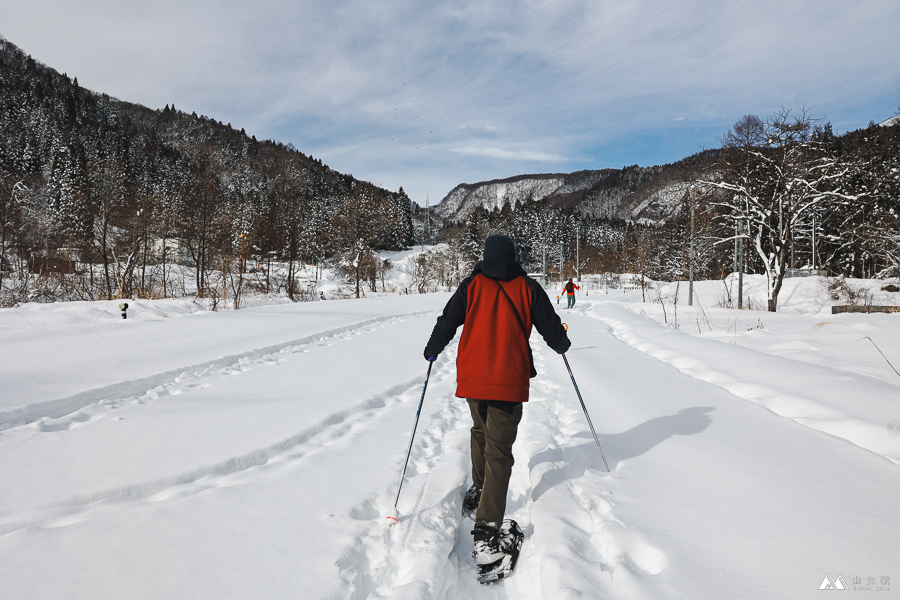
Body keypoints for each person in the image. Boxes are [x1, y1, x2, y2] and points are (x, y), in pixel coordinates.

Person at [424, 235, 570, 566]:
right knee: (500, 452)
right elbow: (549, 326)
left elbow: (447, 321)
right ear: (514, 257)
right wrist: (561, 343)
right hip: (508, 379)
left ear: (486, 256)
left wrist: (433, 349)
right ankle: (487, 532)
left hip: (474, 377)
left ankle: (479, 489)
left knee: (480, 430)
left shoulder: (471, 285)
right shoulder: (528, 287)